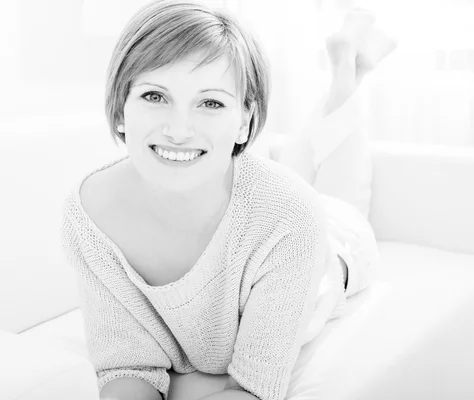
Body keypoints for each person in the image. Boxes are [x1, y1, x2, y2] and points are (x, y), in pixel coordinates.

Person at [59, 1, 391, 399]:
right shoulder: (90, 216)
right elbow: (126, 367)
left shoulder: (295, 217)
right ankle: (346, 72)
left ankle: (345, 80)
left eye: (211, 102)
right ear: (120, 110)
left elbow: (252, 389)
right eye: (154, 96)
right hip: (261, 199)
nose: (178, 130)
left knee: (336, 196)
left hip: (340, 246)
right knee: (293, 177)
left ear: (245, 121)